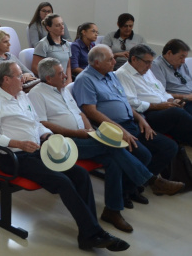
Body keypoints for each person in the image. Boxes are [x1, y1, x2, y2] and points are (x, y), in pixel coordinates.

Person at [0, 62, 131, 252]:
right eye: (20, 76)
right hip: (13, 157)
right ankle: (93, 233)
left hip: (36, 150)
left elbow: (36, 123)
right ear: (6, 79)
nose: (25, 78)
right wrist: (19, 144)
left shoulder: (22, 96)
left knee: (80, 175)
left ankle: (90, 232)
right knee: (62, 181)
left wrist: (47, 134)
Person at [29, 58, 179, 232]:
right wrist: (78, 133)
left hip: (84, 137)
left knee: (113, 160)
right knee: (113, 146)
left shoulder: (62, 89)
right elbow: (42, 124)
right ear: (48, 78)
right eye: (61, 73)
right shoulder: (37, 93)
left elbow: (80, 113)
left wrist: (88, 130)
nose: (65, 76)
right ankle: (151, 180)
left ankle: (112, 210)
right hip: (63, 144)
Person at [73, 45, 178, 188]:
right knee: (143, 154)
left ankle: (134, 187)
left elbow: (124, 102)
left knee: (169, 147)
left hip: (132, 122)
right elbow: (91, 112)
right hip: (113, 128)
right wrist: (120, 130)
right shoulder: (85, 79)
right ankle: (134, 189)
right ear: (97, 63)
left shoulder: (110, 75)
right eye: (110, 60)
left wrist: (141, 119)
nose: (114, 62)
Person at [115, 44, 192, 146]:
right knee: (177, 113)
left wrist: (171, 101)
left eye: (151, 62)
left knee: (181, 110)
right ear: (134, 59)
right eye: (147, 62)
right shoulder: (123, 74)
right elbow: (131, 103)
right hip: (147, 114)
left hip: (162, 108)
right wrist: (158, 106)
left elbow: (162, 91)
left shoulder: (146, 70)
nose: (150, 66)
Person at [149, 38, 192, 103]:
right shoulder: (156, 65)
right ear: (169, 53)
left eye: (185, 58)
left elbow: (189, 82)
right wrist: (185, 97)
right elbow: (161, 92)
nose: (183, 61)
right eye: (181, 57)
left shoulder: (181, 64)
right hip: (179, 100)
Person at [32, 13, 73, 80]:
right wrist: (50, 80)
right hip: (51, 82)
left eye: (62, 24)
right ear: (48, 28)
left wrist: (69, 80)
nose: (62, 27)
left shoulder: (66, 44)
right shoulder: (43, 44)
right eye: (57, 25)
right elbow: (35, 67)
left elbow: (68, 66)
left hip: (64, 81)